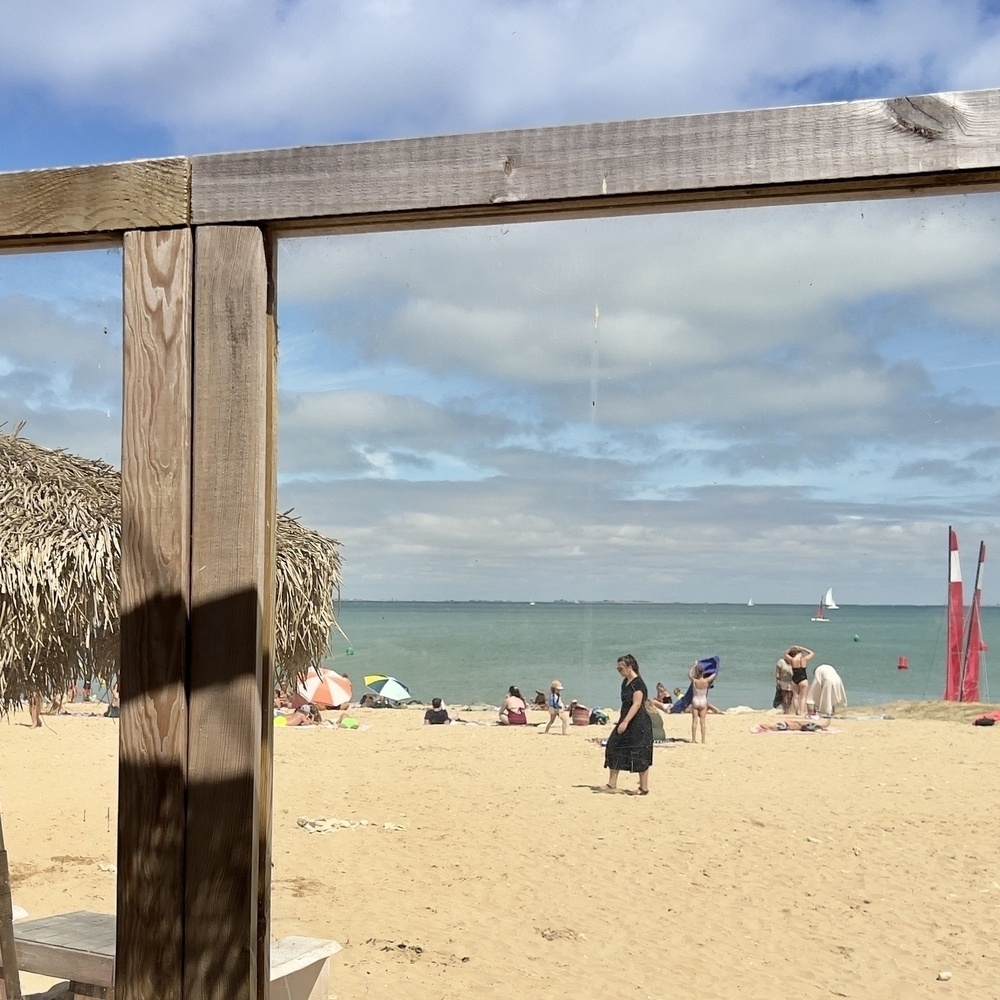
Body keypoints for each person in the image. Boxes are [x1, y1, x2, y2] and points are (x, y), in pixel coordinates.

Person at [602, 654, 653, 794]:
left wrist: (625, 722)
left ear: (630, 667)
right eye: (618, 669)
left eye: (621, 668)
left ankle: (644, 788)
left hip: (639, 722)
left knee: (640, 753)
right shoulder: (625, 682)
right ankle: (612, 784)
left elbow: (636, 704)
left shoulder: (638, 684)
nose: (619, 671)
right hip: (625, 718)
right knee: (613, 746)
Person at [786, 645, 815, 715]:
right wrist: (803, 648)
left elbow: (785, 654)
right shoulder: (804, 659)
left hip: (794, 679)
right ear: (799, 653)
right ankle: (802, 712)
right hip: (803, 679)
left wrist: (791, 647)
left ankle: (797, 711)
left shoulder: (792, 660)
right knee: (803, 697)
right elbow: (812, 653)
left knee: (795, 697)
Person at [688, 662, 713, 743]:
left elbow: (689, 674)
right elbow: (714, 675)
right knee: (702, 721)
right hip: (703, 701)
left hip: (695, 700)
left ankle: (693, 739)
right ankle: (703, 740)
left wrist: (694, 665)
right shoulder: (706, 681)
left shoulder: (695, 681)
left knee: (694, 721)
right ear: (703, 673)